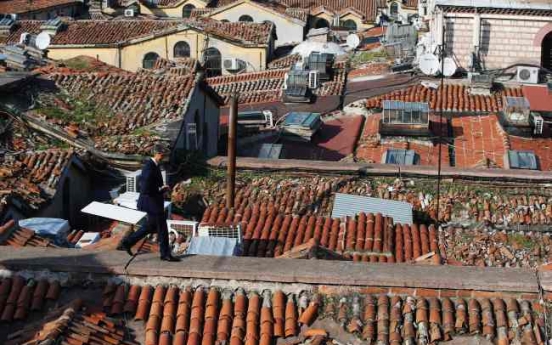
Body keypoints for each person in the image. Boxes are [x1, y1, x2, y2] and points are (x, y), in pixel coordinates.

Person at [118, 144, 181, 262]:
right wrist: (161, 189)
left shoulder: (154, 165)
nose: (165, 157)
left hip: (152, 202)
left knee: (150, 226)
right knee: (162, 228)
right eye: (164, 155)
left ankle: (127, 243)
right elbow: (145, 188)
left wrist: (161, 188)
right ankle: (165, 254)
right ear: (158, 154)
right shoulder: (149, 167)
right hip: (151, 203)